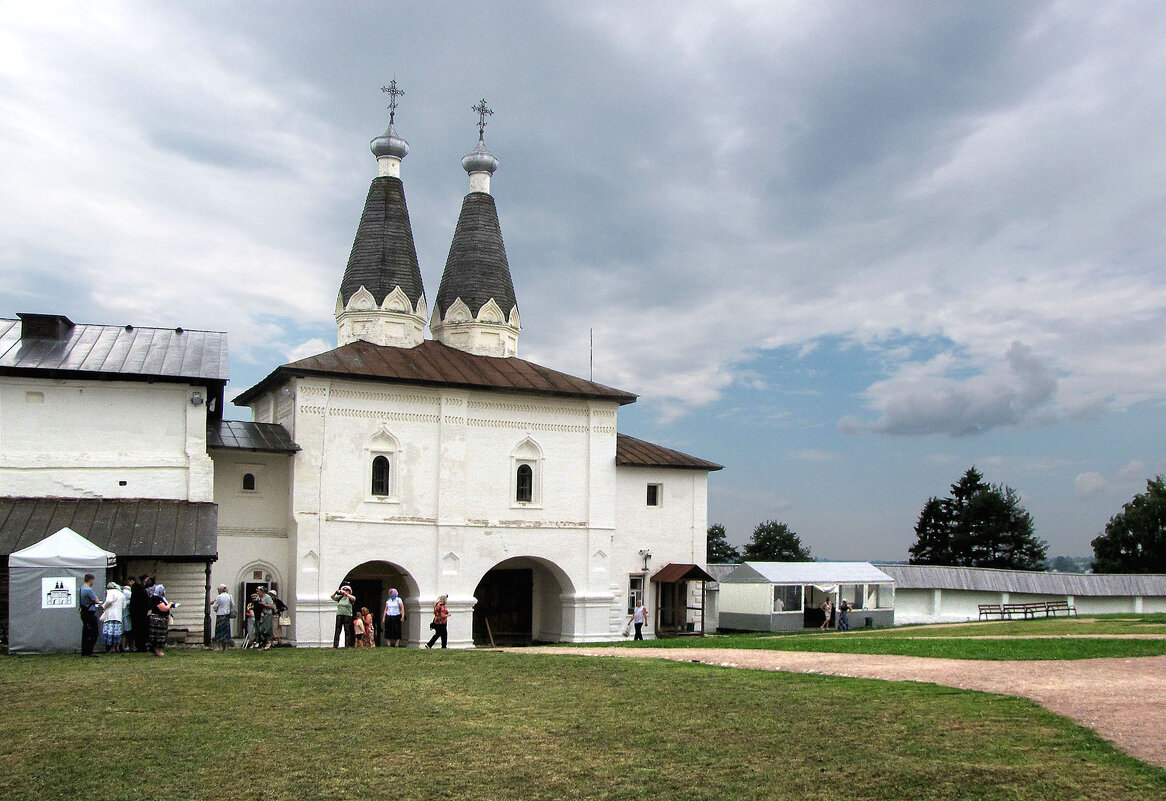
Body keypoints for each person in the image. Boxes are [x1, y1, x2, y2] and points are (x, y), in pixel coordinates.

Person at [148, 584, 175, 657]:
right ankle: (157, 650)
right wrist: (170, 604)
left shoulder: (160, 598)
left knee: (162, 636)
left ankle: (156, 650)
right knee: (158, 636)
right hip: (158, 621)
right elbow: (164, 608)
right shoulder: (156, 599)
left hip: (162, 620)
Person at [78, 573, 102, 656]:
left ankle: (84, 651)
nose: (93, 582)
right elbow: (96, 601)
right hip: (90, 613)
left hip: (83, 612)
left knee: (86, 632)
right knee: (94, 632)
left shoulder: (81, 589)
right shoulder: (89, 590)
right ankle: (89, 651)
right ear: (90, 580)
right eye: (93, 580)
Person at [100, 581, 125, 653]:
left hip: (110, 615)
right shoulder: (121, 594)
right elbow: (124, 606)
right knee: (117, 632)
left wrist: (104, 606)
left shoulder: (110, 592)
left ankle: (111, 648)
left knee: (110, 632)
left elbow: (109, 600)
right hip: (118, 616)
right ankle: (117, 647)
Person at [129, 575, 151, 652]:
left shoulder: (135, 590)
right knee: (143, 630)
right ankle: (143, 646)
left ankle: (139, 647)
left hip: (136, 614)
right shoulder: (143, 590)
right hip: (144, 613)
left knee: (137, 630)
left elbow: (133, 603)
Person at [210, 584, 234, 650]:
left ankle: (220, 646)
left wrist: (216, 609)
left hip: (220, 615)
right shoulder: (229, 596)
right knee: (226, 631)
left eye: (218, 590)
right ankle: (226, 647)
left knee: (220, 631)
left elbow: (214, 606)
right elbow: (232, 605)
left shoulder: (219, 597)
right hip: (227, 615)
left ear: (221, 590)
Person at [254, 586, 275, 650]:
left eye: (258, 591)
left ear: (262, 591)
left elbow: (272, 606)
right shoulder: (258, 597)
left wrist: (265, 605)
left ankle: (268, 642)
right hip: (260, 614)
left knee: (266, 629)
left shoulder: (267, 597)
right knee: (259, 629)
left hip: (267, 614)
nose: (257, 593)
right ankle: (261, 643)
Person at [120, 582, 133, 651]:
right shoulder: (127, 600)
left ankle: (124, 646)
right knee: (125, 633)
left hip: (125, 616)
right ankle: (124, 646)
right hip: (126, 616)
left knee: (125, 633)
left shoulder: (126, 600)